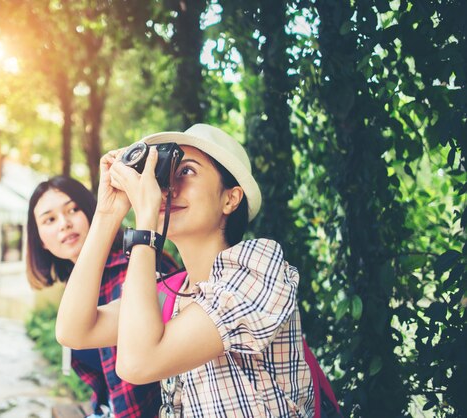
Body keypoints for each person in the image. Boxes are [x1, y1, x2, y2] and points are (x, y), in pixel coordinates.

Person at [56, 124, 315, 417]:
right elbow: (73, 330)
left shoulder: (259, 269)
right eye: (164, 176)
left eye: (187, 171)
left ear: (230, 198)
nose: (168, 188)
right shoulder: (171, 294)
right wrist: (107, 213)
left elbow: (137, 363)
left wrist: (146, 223)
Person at [26, 176, 177, 417]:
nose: (64, 223)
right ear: (40, 241)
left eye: (73, 209)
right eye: (50, 220)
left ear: (90, 211)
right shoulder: (77, 287)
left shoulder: (138, 267)